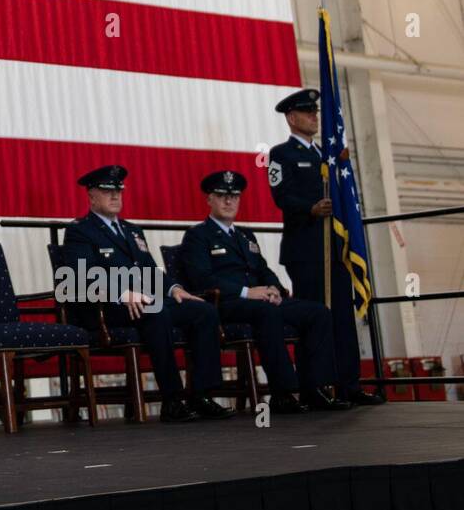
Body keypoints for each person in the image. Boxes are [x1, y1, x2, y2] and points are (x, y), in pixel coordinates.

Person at [61, 166, 233, 423]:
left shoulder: (133, 231)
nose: (115, 195)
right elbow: (81, 276)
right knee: (157, 311)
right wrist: (122, 293)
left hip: (144, 302)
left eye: (118, 190)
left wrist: (174, 289)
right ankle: (172, 400)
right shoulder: (80, 230)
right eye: (107, 190)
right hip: (106, 306)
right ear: (92, 196)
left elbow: (151, 271)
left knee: (204, 311)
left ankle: (202, 395)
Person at [181, 170, 348, 413]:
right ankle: (283, 393)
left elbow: (263, 268)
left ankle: (315, 388)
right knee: (266, 312)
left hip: (261, 299)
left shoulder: (245, 235)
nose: (229, 201)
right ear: (209, 200)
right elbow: (202, 278)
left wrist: (274, 289)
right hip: (226, 303)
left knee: (318, 312)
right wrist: (247, 292)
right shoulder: (198, 235)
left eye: (234, 196)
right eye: (221, 196)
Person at [268, 89, 385, 406]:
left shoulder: (327, 154)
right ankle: (315, 386)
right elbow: (281, 197)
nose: (314, 117)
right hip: (305, 250)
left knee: (343, 318)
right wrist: (310, 208)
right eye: (307, 113)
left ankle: (348, 384)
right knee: (315, 317)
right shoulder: (281, 154)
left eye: (316, 112)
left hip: (335, 248)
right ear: (292, 118)